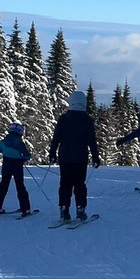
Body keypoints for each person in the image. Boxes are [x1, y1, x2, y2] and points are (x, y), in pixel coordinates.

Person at [49, 90, 100, 224]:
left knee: (65, 184)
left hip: (65, 157)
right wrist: (95, 157)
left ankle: (64, 210)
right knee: (79, 184)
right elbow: (91, 140)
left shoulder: (64, 118)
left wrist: (52, 153)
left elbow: (56, 137)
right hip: (80, 158)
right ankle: (80, 210)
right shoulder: (87, 120)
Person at [0, 122, 33, 216]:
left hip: (6, 164)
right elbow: (27, 155)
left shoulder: (4, 141)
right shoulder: (20, 143)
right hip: (17, 165)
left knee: (3, 186)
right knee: (20, 187)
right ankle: (26, 209)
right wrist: (24, 158)